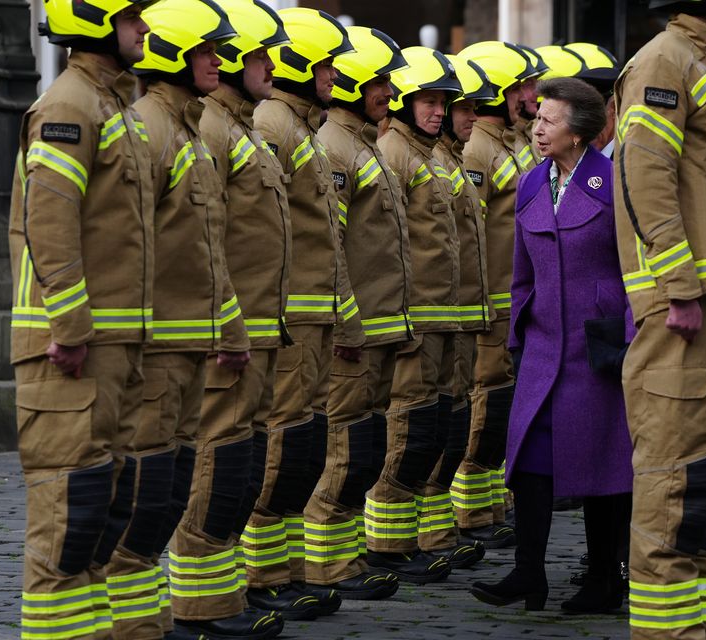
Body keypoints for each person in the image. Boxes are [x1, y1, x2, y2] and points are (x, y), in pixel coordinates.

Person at [613, 0, 706, 636]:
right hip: (688, 300)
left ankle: (702, 625)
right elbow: (644, 171)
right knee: (675, 477)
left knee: (704, 477)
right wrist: (677, 284)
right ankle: (670, 630)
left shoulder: (699, 61)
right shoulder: (664, 60)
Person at [104, 3, 251, 637]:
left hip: (195, 340)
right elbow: (126, 245)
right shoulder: (151, 129)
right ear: (173, 57)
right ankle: (134, 623)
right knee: (147, 490)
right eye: (207, 51)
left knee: (172, 485)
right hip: (160, 345)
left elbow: (208, 248)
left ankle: (170, 617)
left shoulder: (186, 129)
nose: (221, 61)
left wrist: (227, 326)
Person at [11, 0, 155, 636]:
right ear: (96, 23)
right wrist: (68, 326)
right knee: (71, 513)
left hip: (113, 344)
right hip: (73, 346)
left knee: (101, 509)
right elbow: (50, 221)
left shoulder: (111, 105)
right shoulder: (70, 105)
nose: (146, 30)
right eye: (133, 19)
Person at [469, 76, 631, 614]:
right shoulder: (533, 183)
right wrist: (518, 329)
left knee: (604, 466)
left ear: (579, 133)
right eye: (536, 117)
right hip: (542, 347)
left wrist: (628, 332)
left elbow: (638, 267)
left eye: (549, 120)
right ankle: (528, 573)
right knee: (530, 458)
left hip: (599, 348)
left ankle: (605, 577)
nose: (536, 127)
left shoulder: (615, 184)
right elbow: (521, 272)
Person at [166, 0, 292, 636]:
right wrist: (224, 323)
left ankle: (227, 591)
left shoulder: (238, 128)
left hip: (258, 328)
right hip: (227, 330)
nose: (274, 67)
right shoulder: (214, 130)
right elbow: (201, 237)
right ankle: (199, 605)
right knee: (217, 460)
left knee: (239, 461)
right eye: (261, 55)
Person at [243, 7, 354, 618]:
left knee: (299, 448)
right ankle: (261, 576)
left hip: (313, 316)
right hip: (287, 320)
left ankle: (279, 571)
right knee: (278, 449)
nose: (335, 76)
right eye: (326, 66)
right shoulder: (274, 123)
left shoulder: (296, 125)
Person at [312, 25, 424, 593]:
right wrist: (347, 319)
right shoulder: (336, 146)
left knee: (365, 450)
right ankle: (329, 565)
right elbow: (329, 245)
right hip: (356, 331)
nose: (387, 91)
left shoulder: (360, 143)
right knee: (345, 451)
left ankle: (348, 557)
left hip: (382, 328)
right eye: (379, 81)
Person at [368, 45, 482, 576]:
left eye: (444, 103)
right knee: (407, 430)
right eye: (429, 102)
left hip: (445, 316)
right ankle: (388, 545)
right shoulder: (394, 152)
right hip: (416, 317)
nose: (439, 111)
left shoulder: (427, 154)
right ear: (405, 103)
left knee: (433, 432)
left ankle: (412, 538)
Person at [452, 41, 534, 549]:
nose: (531, 95)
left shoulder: (506, 143)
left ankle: (485, 505)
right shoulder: (480, 149)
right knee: (482, 404)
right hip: (491, 303)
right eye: (523, 86)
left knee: (498, 404)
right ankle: (468, 508)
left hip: (512, 300)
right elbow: (472, 232)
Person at [432, 53, 496, 568]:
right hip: (423, 316)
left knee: (449, 426)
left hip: (463, 310)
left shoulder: (448, 155)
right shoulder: (465, 155)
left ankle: (438, 531)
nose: (468, 115)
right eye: (459, 106)